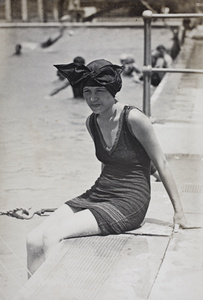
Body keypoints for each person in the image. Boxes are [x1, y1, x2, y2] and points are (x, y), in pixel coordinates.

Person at [26, 58, 194, 277]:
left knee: (52, 237)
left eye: (99, 91)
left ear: (113, 92)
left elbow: (160, 162)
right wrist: (82, 205)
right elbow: (109, 165)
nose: (92, 99)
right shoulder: (91, 122)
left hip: (130, 200)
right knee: (33, 240)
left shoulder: (134, 118)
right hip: (101, 193)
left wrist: (179, 213)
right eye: (87, 91)